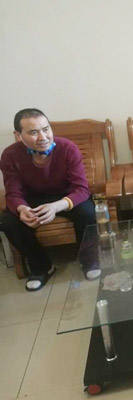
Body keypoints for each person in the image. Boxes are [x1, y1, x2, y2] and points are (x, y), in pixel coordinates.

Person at [0, 108, 99, 291]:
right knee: (8, 221)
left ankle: (89, 261)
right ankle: (42, 267)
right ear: (18, 135)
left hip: (65, 196)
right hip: (32, 199)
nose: (43, 137)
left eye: (46, 129)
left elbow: (81, 189)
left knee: (87, 212)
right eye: (33, 132)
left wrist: (56, 206)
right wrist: (22, 209)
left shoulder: (67, 148)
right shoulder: (9, 155)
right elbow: (13, 193)